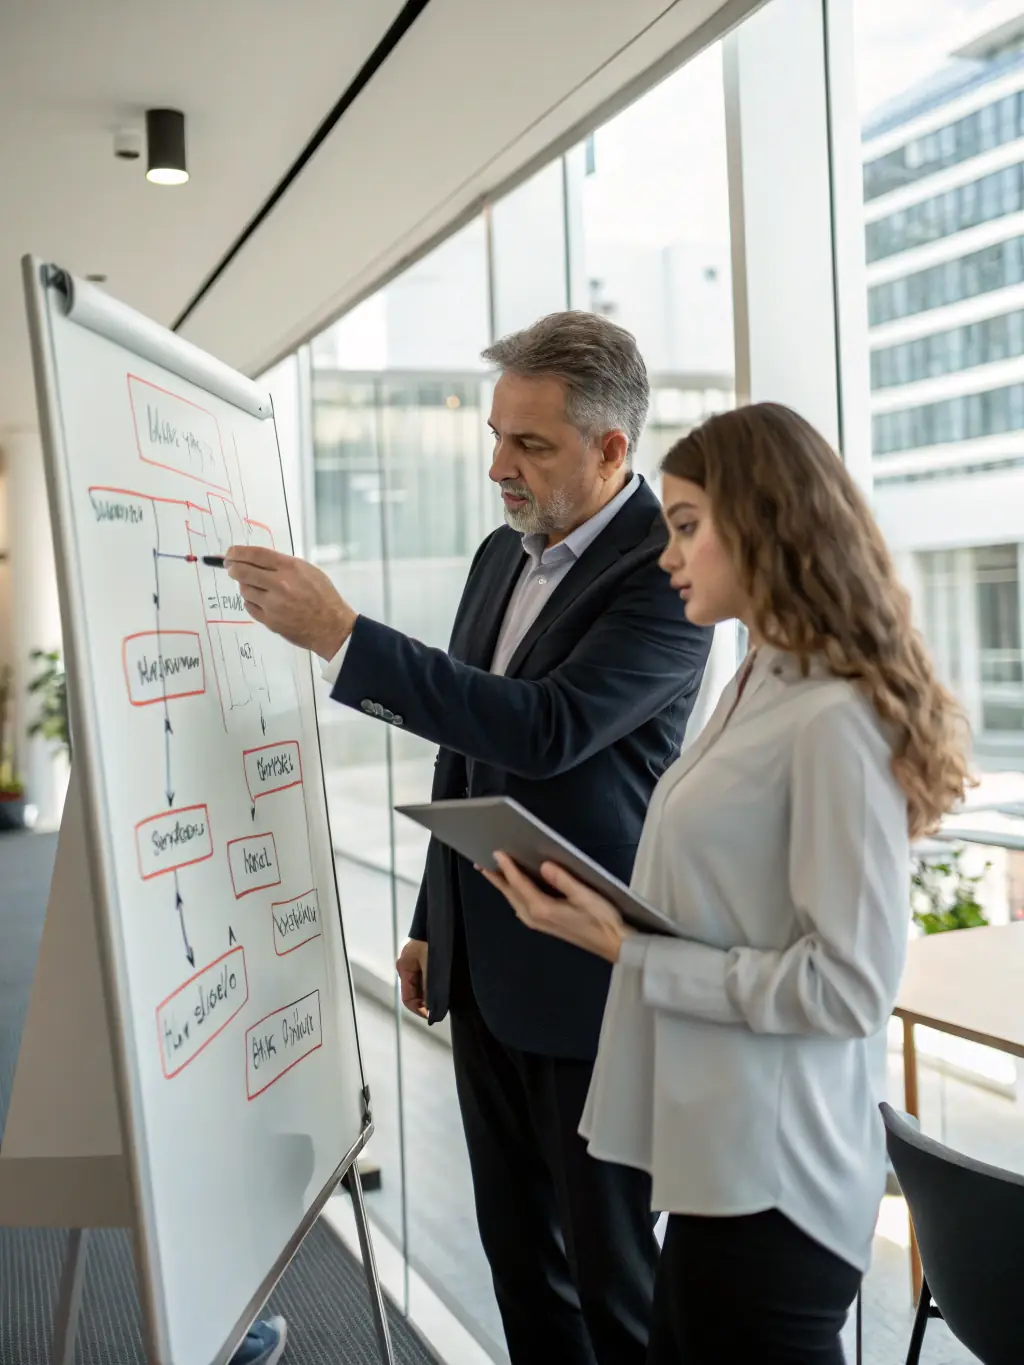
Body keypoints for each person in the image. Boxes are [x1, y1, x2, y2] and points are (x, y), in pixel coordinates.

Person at [224, 311, 713, 1365]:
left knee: (613, 1283)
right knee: (520, 1271)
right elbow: (461, 743)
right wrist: (427, 918)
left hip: (592, 979)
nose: (499, 465)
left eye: (529, 444)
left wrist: (347, 639)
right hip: (485, 966)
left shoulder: (666, 576)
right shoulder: (502, 553)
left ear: (612, 448)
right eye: (496, 436)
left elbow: (544, 732)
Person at [479, 401, 971, 1365]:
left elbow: (848, 987)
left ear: (770, 523)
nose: (669, 555)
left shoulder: (831, 718)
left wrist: (626, 947)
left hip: (778, 1186)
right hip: (721, 1169)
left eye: (690, 525)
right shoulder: (759, 681)